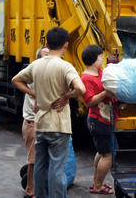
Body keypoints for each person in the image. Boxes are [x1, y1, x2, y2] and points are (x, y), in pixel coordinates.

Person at [12, 27, 86, 198]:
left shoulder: (36, 64)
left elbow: (16, 80)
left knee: (40, 165)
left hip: (40, 125)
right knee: (57, 168)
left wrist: (35, 94)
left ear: (47, 43)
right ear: (66, 45)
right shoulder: (65, 66)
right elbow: (80, 88)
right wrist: (67, 95)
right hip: (59, 126)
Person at [81, 45, 119, 195]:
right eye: (100, 57)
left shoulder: (99, 72)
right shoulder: (86, 78)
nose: (102, 59)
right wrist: (105, 93)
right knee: (109, 154)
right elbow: (89, 101)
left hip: (105, 119)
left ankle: (98, 182)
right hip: (99, 120)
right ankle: (98, 186)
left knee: (102, 152)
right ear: (93, 60)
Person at [12, 46, 49, 198]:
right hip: (32, 124)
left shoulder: (49, 73)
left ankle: (38, 186)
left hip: (44, 123)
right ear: (38, 59)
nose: (49, 57)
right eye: (46, 55)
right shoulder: (34, 73)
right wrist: (35, 95)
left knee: (40, 159)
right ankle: (30, 190)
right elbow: (16, 80)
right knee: (34, 160)